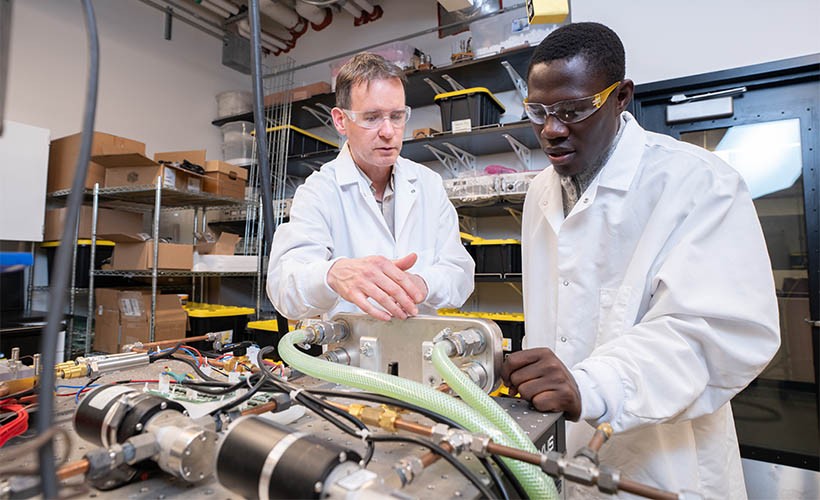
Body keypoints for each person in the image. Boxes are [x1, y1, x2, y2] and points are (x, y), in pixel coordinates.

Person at [501, 22, 780, 498]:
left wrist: (592, 385)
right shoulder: (539, 194)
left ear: (621, 97)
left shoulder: (698, 183)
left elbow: (716, 334)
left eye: (572, 110)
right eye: (538, 112)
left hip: (664, 466)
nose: (551, 130)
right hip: (563, 454)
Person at [267, 52, 474, 321]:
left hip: (421, 343)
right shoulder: (319, 191)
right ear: (341, 120)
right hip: (349, 346)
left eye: (397, 116)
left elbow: (460, 273)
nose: (388, 131)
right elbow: (284, 289)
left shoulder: (428, 184)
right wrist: (333, 274)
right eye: (372, 117)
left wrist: (423, 283)